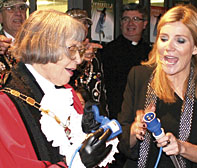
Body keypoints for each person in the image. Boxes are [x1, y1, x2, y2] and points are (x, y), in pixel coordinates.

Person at [0, 9, 115, 168]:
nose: (79, 59)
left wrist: (87, 134)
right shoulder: (5, 106)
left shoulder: (67, 93)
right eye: (72, 49)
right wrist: (78, 163)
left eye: (80, 50)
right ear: (43, 45)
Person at [118, 4, 197, 168]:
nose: (169, 48)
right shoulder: (139, 77)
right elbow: (122, 142)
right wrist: (134, 131)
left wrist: (181, 147)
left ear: (195, 47)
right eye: (164, 38)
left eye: (180, 41)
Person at [100, 3, 151, 120]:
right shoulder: (108, 52)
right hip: (117, 114)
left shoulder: (152, 53)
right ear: (121, 23)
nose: (130, 24)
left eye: (136, 19)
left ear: (144, 24)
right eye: (126, 19)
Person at [66, 8, 109, 117]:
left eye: (85, 24)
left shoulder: (95, 53)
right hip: (72, 115)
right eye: (77, 24)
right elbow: (63, 84)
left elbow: (102, 91)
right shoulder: (62, 55)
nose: (83, 28)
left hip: (95, 117)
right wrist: (80, 61)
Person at [0, 0, 28, 75]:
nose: (18, 13)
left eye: (22, 7)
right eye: (11, 8)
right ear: (0, 16)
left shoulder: (36, 43)